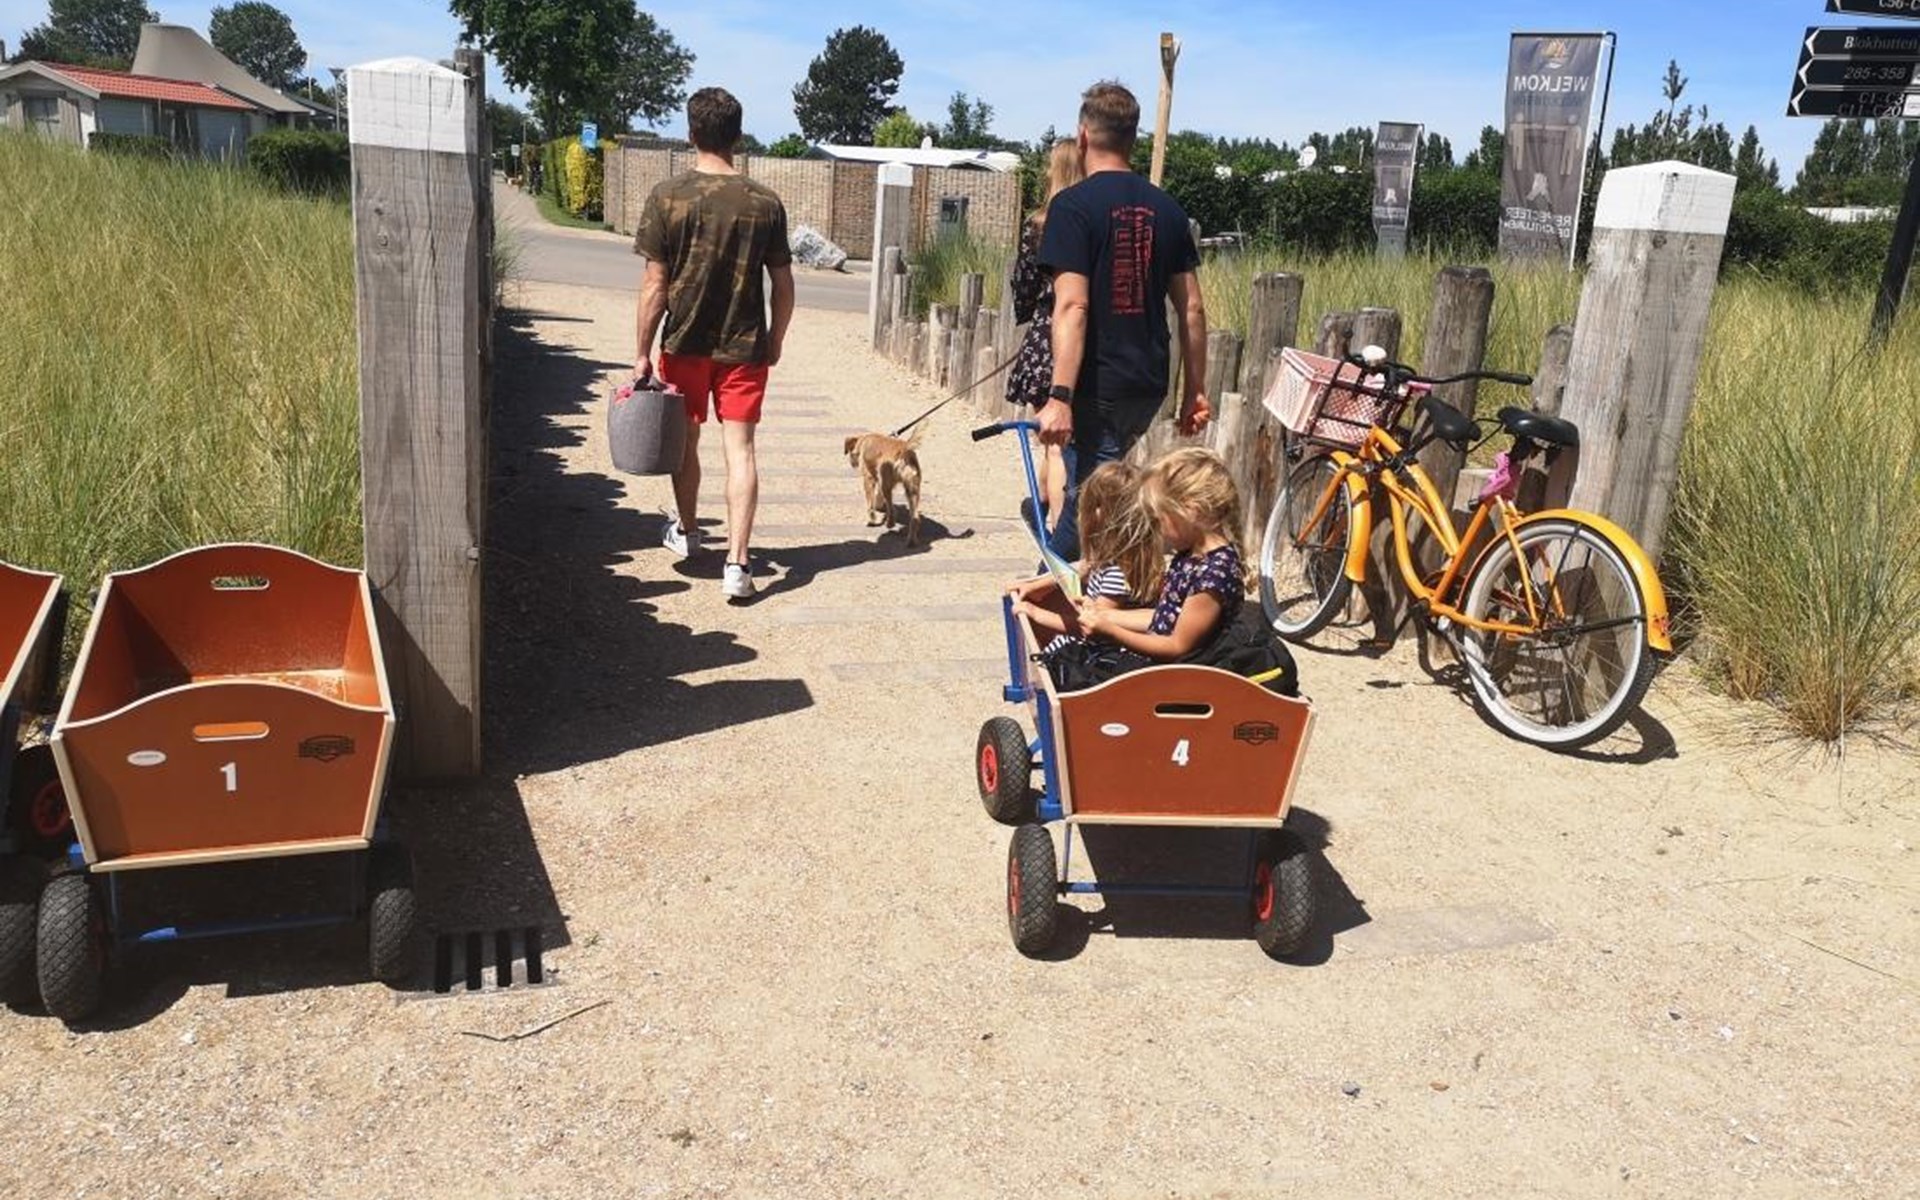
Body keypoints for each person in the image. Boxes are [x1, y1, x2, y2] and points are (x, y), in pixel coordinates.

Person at [1037, 80, 1211, 564]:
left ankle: (1041, 592)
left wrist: (1059, 397)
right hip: (1148, 384)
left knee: (1085, 506)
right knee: (1099, 490)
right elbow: (1192, 308)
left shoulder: (1072, 207)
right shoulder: (1168, 210)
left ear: (1083, 136)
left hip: (1097, 387)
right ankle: (1099, 584)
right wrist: (1195, 390)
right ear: (1133, 138)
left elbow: (1073, 306)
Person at [633, 87, 795, 600]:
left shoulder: (667, 196)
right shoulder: (765, 203)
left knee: (686, 443)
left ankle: (688, 532)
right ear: (738, 137)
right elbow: (784, 285)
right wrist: (775, 340)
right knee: (741, 450)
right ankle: (738, 565)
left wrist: (641, 353)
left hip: (684, 342)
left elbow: (655, 285)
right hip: (744, 347)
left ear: (691, 134)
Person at [1078, 448, 1246, 662]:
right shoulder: (1190, 556)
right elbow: (1164, 616)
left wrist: (1112, 632)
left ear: (1191, 511)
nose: (1158, 529)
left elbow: (1176, 646)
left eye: (1160, 519)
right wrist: (1103, 615)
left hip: (1177, 672)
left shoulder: (1214, 575)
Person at [1005, 139, 1085, 534]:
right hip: (1084, 338)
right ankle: (1038, 502)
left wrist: (1030, 314)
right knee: (1064, 441)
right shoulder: (1091, 222)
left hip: (1047, 337)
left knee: (1055, 445)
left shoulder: (1038, 225)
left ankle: (1058, 535)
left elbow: (1023, 283)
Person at [1010, 461, 1159, 650]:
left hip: (1093, 652)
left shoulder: (1118, 573)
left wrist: (1037, 614)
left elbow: (1093, 627)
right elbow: (1082, 567)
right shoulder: (1112, 556)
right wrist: (1037, 584)